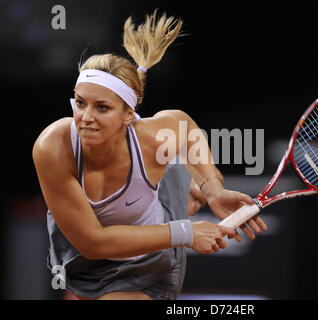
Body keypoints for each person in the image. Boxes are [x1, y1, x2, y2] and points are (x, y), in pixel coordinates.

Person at [33, 11, 267, 300]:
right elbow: (94, 242)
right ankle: (183, 186)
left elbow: (187, 127)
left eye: (102, 107)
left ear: (129, 115)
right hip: (90, 258)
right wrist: (187, 233)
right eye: (80, 103)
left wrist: (214, 191)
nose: (85, 117)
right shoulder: (53, 146)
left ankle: (184, 186)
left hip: (151, 260)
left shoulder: (154, 136)